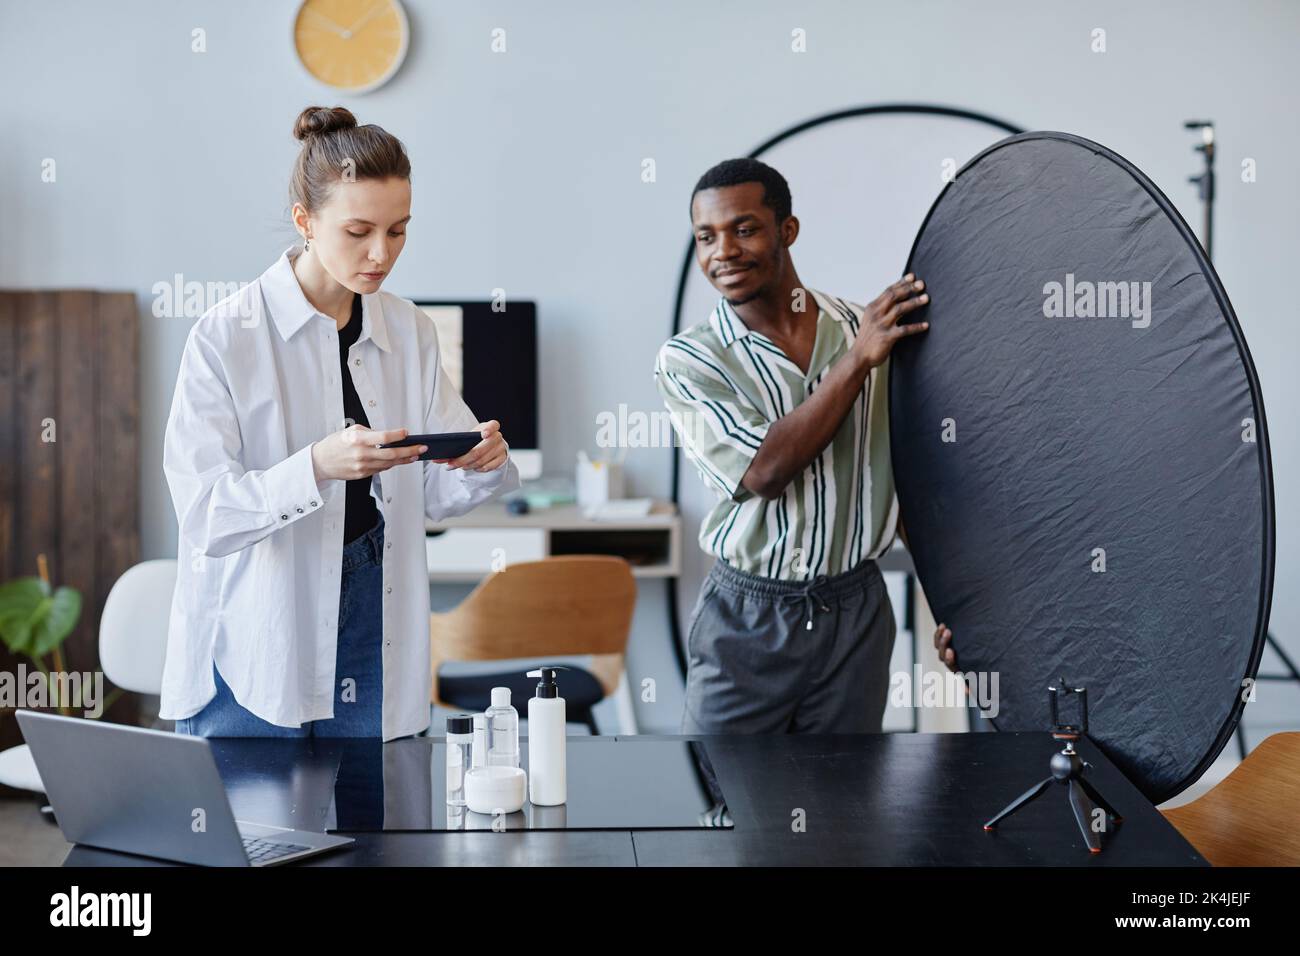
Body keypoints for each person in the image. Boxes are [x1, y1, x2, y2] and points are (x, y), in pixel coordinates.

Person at [161, 106, 519, 741]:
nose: (382, 255)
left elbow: (436, 496)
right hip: (260, 629)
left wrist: (479, 463)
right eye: (358, 231)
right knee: (255, 827)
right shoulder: (225, 336)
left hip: (373, 605)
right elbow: (204, 516)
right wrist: (317, 466)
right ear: (305, 221)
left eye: (399, 231)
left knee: (371, 829)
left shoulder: (410, 330)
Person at [654, 157, 932, 737]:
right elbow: (765, 471)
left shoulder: (865, 328)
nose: (722, 252)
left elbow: (908, 481)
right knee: (728, 806)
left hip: (857, 612)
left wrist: (952, 607)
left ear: (788, 231)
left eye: (744, 228)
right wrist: (858, 360)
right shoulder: (691, 360)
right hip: (750, 618)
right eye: (706, 237)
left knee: (844, 806)